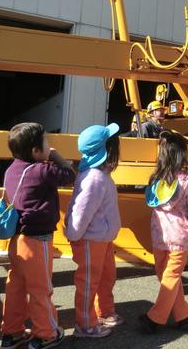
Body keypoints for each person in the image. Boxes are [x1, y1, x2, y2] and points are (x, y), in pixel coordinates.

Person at [0, 122, 76, 349]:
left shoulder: (12, 169)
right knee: (40, 289)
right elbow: (69, 176)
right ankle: (46, 333)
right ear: (35, 151)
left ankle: (11, 332)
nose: (49, 146)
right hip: (37, 240)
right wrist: (57, 156)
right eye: (46, 142)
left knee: (16, 286)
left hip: (16, 239)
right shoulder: (42, 170)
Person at [139, 131, 188, 334]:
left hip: (159, 238)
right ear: (183, 155)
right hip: (179, 239)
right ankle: (155, 318)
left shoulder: (155, 181)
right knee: (172, 277)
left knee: (166, 276)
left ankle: (183, 316)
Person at [65, 123, 123, 338]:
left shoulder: (99, 175)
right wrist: (73, 235)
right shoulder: (95, 179)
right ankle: (85, 324)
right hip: (90, 240)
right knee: (88, 283)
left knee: (107, 277)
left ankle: (104, 312)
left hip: (101, 238)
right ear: (108, 150)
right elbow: (81, 212)